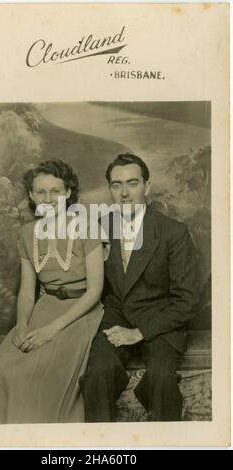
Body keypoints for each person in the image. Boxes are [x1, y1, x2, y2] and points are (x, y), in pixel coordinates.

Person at [0, 159, 104, 424]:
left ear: (68, 193)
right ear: (32, 196)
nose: (48, 198)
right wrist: (22, 324)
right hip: (42, 309)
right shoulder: (26, 232)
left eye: (55, 191)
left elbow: (95, 291)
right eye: (41, 192)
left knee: (34, 377)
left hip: (81, 313)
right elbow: (26, 291)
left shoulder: (87, 227)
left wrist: (51, 330)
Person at [79, 153, 199, 422]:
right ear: (110, 188)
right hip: (115, 316)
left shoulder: (173, 231)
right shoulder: (99, 227)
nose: (124, 193)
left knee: (161, 380)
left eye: (132, 183)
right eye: (116, 184)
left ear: (146, 187)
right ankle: (99, 449)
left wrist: (139, 332)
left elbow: (188, 301)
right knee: (98, 374)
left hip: (162, 320)